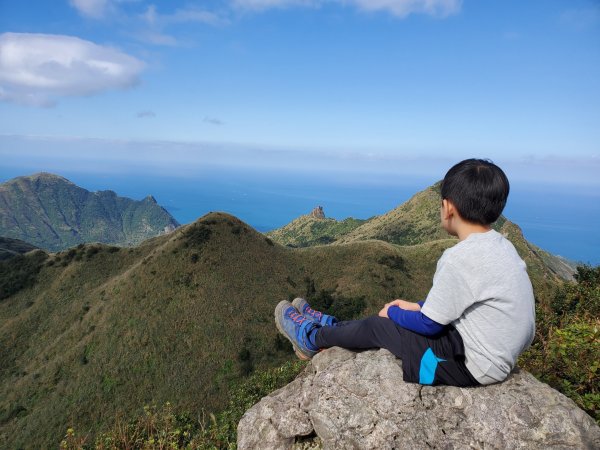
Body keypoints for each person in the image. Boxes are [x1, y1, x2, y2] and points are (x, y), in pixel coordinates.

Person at [274, 158, 535, 386]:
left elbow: (430, 326)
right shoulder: (503, 247)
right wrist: (417, 306)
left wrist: (395, 313)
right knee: (386, 323)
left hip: (469, 366)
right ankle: (332, 327)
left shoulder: (459, 258)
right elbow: (463, 301)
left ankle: (312, 337)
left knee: (379, 326)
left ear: (448, 207)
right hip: (487, 353)